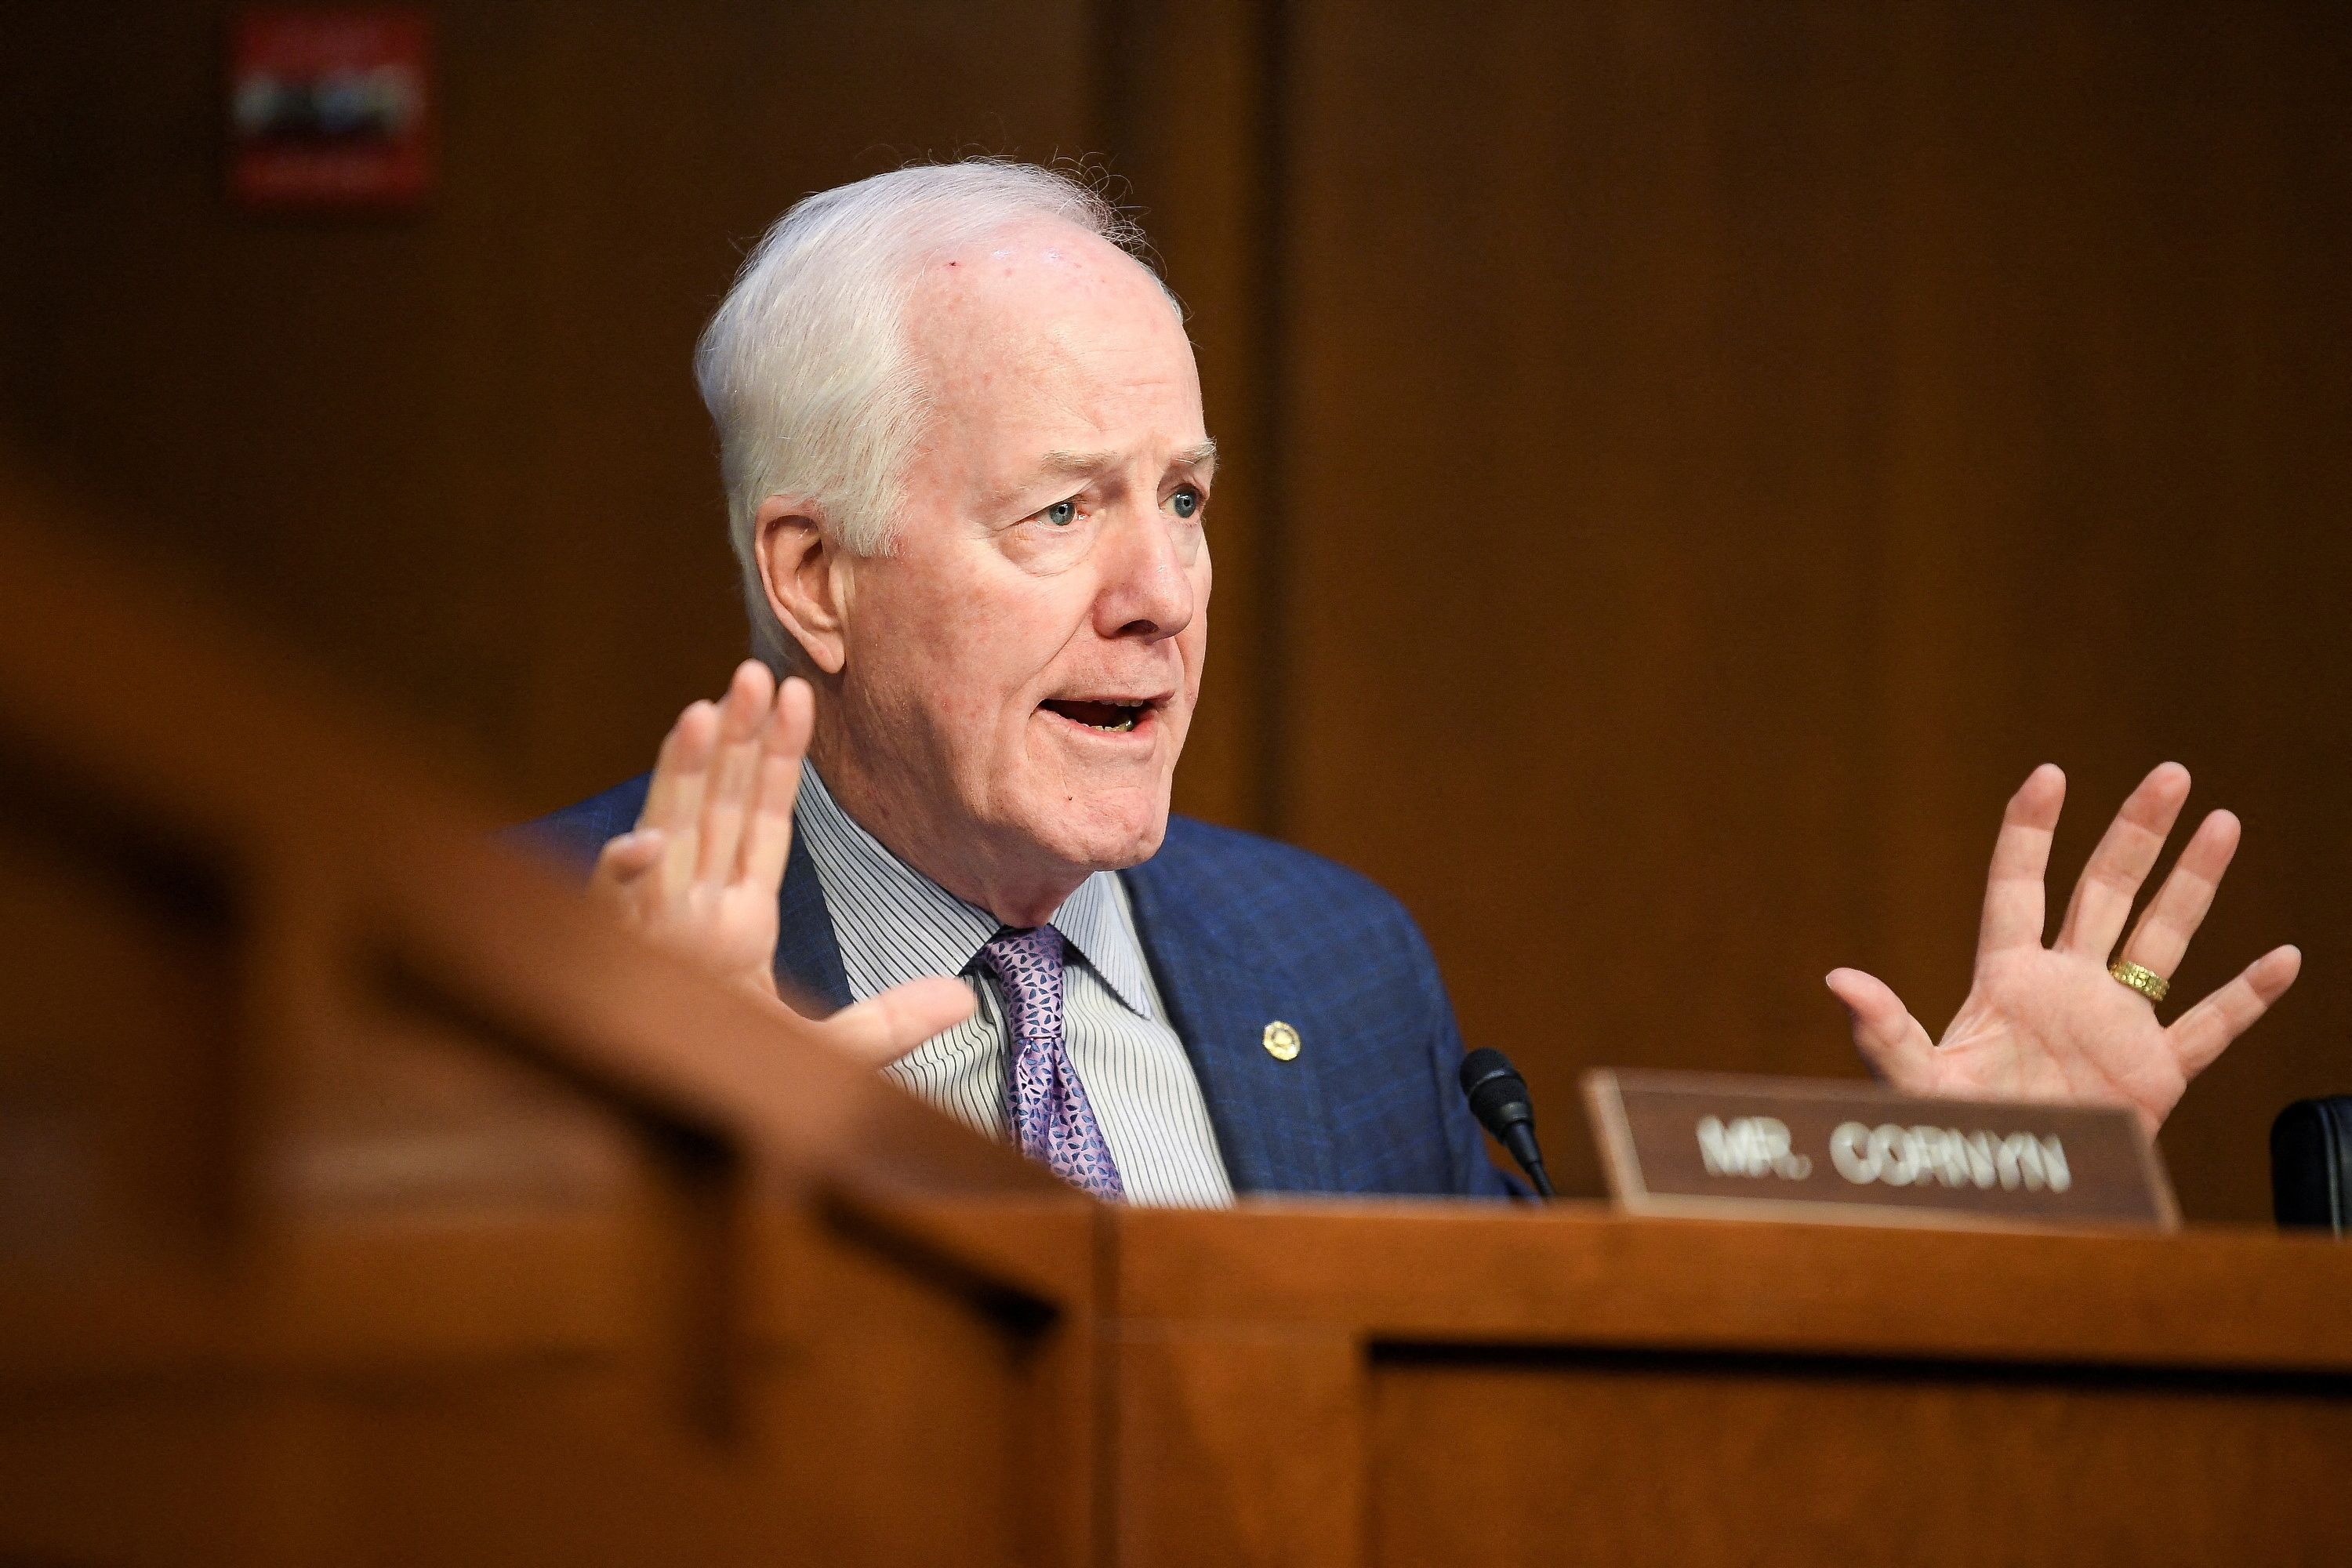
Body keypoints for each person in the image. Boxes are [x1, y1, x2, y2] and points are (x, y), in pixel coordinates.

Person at [525, 160, 2300, 1203]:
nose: (1164, 596)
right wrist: (630, 1174)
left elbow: (1570, 1480)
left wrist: (1966, 1195)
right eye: (1061, 510)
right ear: (814, 576)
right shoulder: (525, 958)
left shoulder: (1342, 969)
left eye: (1188, 498)